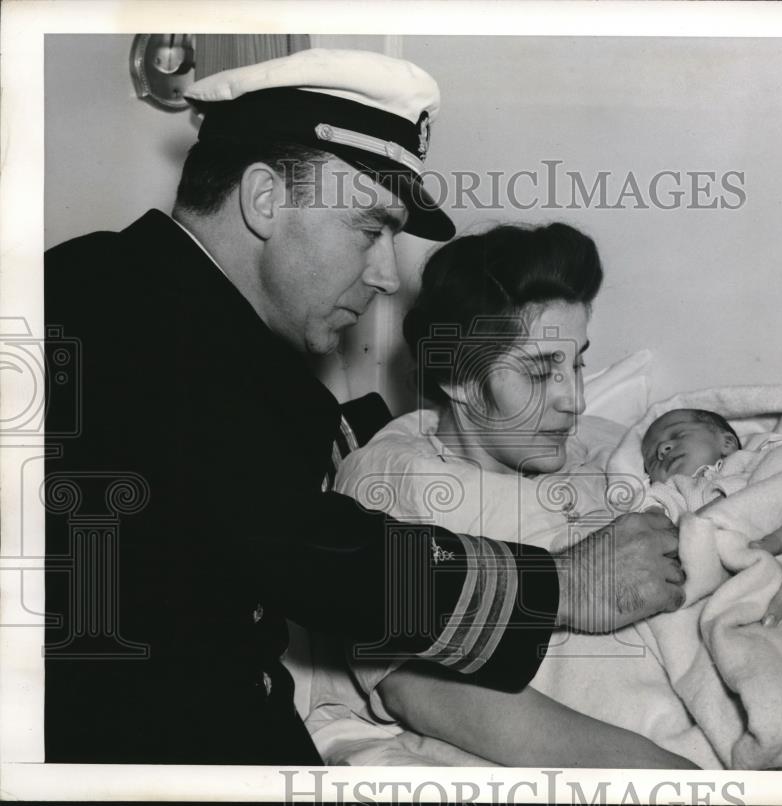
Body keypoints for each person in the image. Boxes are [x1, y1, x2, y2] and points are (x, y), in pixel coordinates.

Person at [42, 49, 687, 765]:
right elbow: (305, 550)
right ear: (264, 199)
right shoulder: (104, 305)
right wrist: (564, 584)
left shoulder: (192, 328)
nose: (385, 274)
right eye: (369, 228)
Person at [324, 222, 782, 768]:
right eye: (541, 372)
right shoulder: (391, 479)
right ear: (457, 377)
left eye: (578, 361)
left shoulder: (599, 443)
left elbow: (748, 478)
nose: (575, 399)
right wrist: (663, 777)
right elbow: (423, 689)